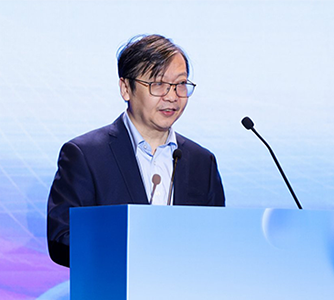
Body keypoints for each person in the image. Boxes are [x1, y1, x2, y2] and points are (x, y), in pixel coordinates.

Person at [47, 34, 225, 267]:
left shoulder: (202, 162)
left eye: (180, 84)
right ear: (125, 89)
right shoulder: (85, 156)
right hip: (113, 287)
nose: (172, 96)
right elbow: (61, 239)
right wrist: (134, 254)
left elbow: (217, 239)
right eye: (158, 84)